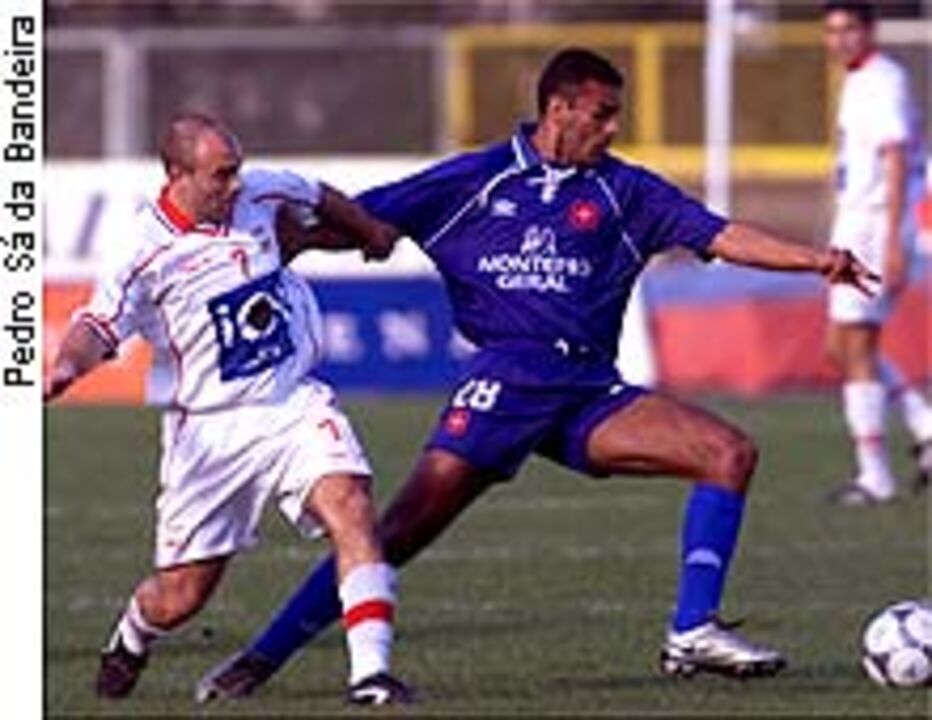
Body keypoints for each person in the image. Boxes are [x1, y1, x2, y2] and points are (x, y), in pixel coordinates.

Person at [196, 48, 878, 700]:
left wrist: (814, 260)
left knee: (728, 453)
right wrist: (297, 239)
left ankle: (691, 631)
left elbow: (720, 233)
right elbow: (370, 220)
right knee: (400, 529)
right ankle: (262, 658)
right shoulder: (476, 179)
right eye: (603, 114)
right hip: (506, 383)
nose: (613, 129)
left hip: (587, 391)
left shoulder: (626, 190)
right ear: (558, 109)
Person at [44, 113, 414, 705]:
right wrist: (68, 367)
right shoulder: (143, 254)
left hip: (292, 402)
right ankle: (133, 633)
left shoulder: (260, 190)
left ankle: (370, 675)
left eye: (236, 170)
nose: (234, 185)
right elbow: (96, 325)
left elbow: (319, 195)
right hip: (211, 434)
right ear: (176, 175)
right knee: (182, 595)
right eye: (220, 175)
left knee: (352, 505)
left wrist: (368, 230)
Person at [821, 1, 932, 505]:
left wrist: (891, 239)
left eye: (848, 29)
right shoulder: (859, 79)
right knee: (839, 347)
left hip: (873, 223)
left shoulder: (881, 79)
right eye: (831, 30)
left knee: (856, 347)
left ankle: (875, 475)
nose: (839, 39)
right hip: (857, 222)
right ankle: (924, 426)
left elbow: (895, 155)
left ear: (869, 31)